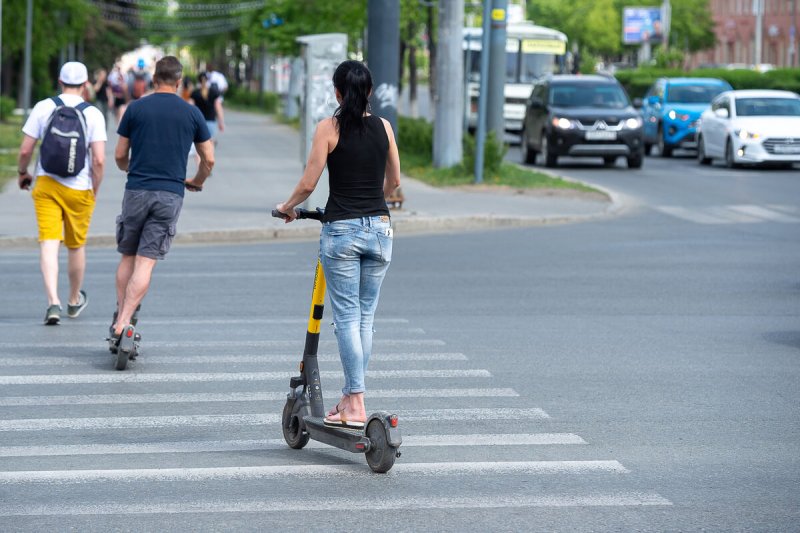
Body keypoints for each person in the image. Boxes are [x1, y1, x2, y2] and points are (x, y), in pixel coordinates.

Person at [276, 60, 401, 429]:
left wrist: (287, 208)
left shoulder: (328, 128)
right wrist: (373, 200)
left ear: (337, 92)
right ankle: (349, 398)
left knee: (346, 318)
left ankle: (357, 402)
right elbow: (394, 182)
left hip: (342, 231)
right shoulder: (385, 127)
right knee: (365, 318)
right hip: (380, 228)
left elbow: (308, 183)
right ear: (370, 92)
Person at [111, 56, 214, 347]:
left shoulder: (136, 108)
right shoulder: (190, 113)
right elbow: (209, 158)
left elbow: (119, 154)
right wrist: (197, 181)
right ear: (179, 82)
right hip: (170, 194)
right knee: (145, 263)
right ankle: (124, 322)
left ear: (154, 79)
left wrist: (128, 169)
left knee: (127, 256)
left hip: (137, 190)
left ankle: (120, 319)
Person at [16, 61, 107, 325]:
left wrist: (23, 173)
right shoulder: (93, 114)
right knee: (76, 245)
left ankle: (52, 302)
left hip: (46, 184)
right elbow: (99, 160)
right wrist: (94, 189)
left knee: (49, 242)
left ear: (60, 81)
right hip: (79, 188)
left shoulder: (44, 107)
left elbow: (25, 150)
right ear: (86, 84)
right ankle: (73, 299)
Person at [190, 72, 225, 144]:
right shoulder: (214, 92)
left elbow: (190, 108)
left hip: (198, 122)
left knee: (198, 145)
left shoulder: (195, 93)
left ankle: (198, 156)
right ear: (208, 80)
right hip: (211, 121)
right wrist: (221, 122)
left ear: (198, 81)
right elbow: (218, 108)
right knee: (210, 143)